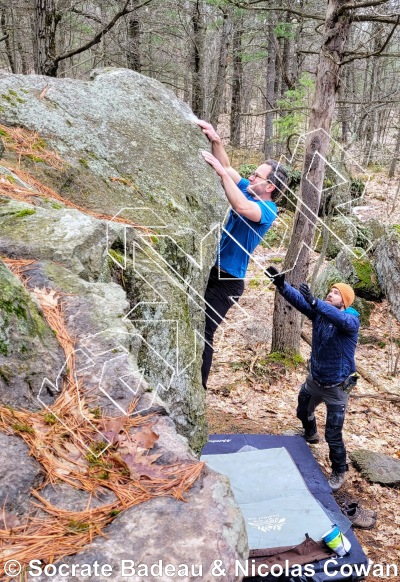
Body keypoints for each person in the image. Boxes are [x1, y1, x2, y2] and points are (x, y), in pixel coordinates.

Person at [197, 119, 288, 390]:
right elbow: (226, 167)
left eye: (258, 176)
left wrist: (223, 175)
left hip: (228, 281)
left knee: (203, 332)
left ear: (270, 186)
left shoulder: (267, 211)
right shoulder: (251, 189)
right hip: (212, 270)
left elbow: (239, 206)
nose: (252, 177)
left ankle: (198, 391)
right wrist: (216, 140)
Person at [266, 266, 359, 492]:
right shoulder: (320, 313)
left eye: (336, 293)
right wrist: (282, 285)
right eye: (330, 291)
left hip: (337, 388)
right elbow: (301, 302)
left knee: (334, 434)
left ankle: (339, 470)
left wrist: (317, 303)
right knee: (302, 411)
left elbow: (340, 319)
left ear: (344, 303)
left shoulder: (350, 321)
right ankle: (310, 434)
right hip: (315, 380)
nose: (330, 294)